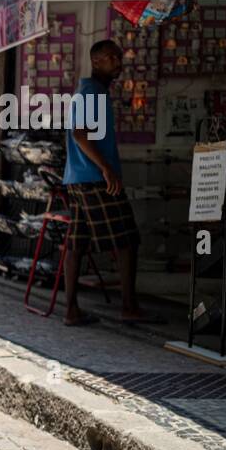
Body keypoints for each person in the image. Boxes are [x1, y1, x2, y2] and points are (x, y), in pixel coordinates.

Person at [63, 39, 149, 327]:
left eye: (119, 57)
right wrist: (107, 170)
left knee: (76, 243)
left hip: (78, 179)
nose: (118, 63)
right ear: (96, 61)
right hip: (94, 179)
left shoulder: (93, 92)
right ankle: (128, 306)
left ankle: (71, 310)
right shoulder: (91, 92)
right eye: (112, 57)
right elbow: (80, 134)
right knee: (127, 240)